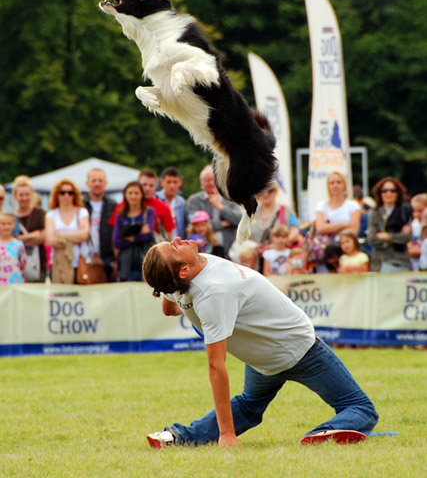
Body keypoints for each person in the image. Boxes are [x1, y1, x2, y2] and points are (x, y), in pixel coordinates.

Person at [142, 237, 378, 448]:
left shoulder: (183, 276)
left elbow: (169, 307)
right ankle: (322, 434)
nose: (177, 239)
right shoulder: (213, 292)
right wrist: (226, 434)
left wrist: (172, 295)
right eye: (173, 247)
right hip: (300, 349)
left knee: (248, 407)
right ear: (183, 270)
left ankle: (176, 437)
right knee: (361, 409)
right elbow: (216, 366)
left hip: (261, 361)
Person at [187, 165, 242, 257]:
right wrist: (225, 223)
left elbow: (240, 221)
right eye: (207, 180)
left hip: (229, 249)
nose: (211, 183)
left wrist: (220, 207)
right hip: (203, 250)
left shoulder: (231, 199)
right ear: (201, 184)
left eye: (214, 179)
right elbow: (196, 225)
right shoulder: (194, 200)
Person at [45, 180, 90, 283]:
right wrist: (75, 237)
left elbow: (84, 234)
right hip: (57, 263)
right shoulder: (51, 215)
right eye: (62, 192)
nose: (66, 196)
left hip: (78, 263)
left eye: (70, 193)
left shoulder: (81, 212)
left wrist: (61, 235)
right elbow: (50, 240)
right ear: (57, 195)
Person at [367, 177, 412, 273]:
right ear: (380, 193)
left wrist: (387, 236)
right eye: (384, 190)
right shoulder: (374, 213)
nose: (388, 193)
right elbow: (372, 238)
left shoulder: (404, 211)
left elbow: (406, 237)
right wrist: (396, 238)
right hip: (379, 262)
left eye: (392, 190)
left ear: (398, 193)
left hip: (400, 261)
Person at [113, 181, 155, 282]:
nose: (133, 196)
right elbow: (116, 242)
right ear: (125, 195)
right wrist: (139, 232)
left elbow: (147, 236)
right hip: (126, 262)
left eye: (136, 193)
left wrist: (128, 237)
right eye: (130, 193)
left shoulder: (148, 212)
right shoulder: (120, 215)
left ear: (141, 195)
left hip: (143, 258)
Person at [84, 168, 117, 282]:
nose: (97, 184)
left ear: (105, 183)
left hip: (108, 261)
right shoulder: (80, 205)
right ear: (87, 184)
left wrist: (116, 261)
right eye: (93, 181)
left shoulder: (113, 206)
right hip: (85, 260)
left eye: (100, 180)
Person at [12, 175, 47, 282]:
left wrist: (20, 239)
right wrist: (33, 235)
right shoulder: (11, 217)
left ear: (32, 195)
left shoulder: (39, 213)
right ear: (15, 196)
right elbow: (9, 240)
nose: (24, 198)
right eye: (21, 195)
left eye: (27, 194)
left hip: (38, 264)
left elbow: (44, 237)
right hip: (16, 265)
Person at [315, 172, 361, 241]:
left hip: (346, 242)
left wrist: (330, 230)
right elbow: (320, 228)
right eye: (332, 183)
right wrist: (342, 225)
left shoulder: (353, 205)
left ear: (344, 185)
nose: (335, 185)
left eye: (339, 182)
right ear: (328, 186)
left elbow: (354, 230)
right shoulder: (322, 205)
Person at [157, 167, 188, 239]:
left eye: (175, 182)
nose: (172, 186)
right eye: (168, 182)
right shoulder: (156, 198)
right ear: (162, 182)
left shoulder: (181, 202)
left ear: (180, 183)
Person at [0, 211, 27, 284]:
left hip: (15, 279)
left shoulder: (18, 243)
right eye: (3, 224)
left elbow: (23, 262)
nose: (6, 227)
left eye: (9, 224)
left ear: (14, 225)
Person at [407, 193, 427, 271]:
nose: (416, 215)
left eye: (420, 211)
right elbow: (409, 251)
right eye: (414, 211)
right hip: (414, 267)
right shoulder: (411, 226)